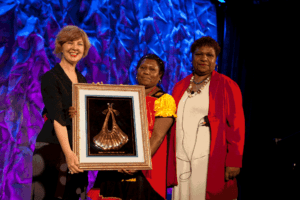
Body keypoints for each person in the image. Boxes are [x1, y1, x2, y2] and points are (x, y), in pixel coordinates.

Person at [86, 54, 177, 200]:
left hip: (146, 167)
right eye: (143, 68)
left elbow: (158, 137)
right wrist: (96, 97)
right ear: (136, 71)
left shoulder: (164, 100)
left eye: (152, 69)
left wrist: (138, 163)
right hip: (115, 164)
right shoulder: (122, 94)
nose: (146, 72)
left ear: (160, 75)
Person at [168, 36, 245, 200]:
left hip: (210, 158)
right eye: (199, 54)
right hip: (181, 156)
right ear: (192, 57)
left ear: (216, 60)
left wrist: (234, 161)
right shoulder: (180, 86)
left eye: (209, 55)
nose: (203, 58)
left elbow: (237, 126)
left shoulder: (227, 85)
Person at [31, 25, 91, 200]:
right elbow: (57, 117)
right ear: (61, 46)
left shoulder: (82, 79)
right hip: (54, 148)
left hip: (76, 149)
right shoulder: (51, 77)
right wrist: (69, 154)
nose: (74, 48)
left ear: (84, 49)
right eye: (69, 43)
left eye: (79, 44)